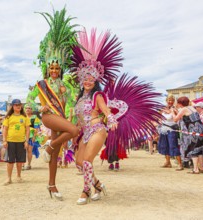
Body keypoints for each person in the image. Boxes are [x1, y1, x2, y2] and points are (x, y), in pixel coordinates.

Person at [71, 28, 162, 205]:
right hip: (84, 132)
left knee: (88, 161)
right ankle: (98, 185)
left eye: (91, 79)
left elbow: (106, 111)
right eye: (85, 79)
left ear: (95, 81)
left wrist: (111, 120)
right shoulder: (79, 98)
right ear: (81, 80)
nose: (88, 82)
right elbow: (77, 119)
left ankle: (86, 191)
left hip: (98, 130)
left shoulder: (97, 96)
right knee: (80, 163)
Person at [27, 7, 79, 200]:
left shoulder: (65, 84)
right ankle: (48, 147)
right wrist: (39, 107)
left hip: (61, 116)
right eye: (52, 67)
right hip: (49, 117)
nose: (55, 70)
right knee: (73, 131)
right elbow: (28, 103)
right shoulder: (40, 84)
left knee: (57, 153)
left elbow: (72, 100)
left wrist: (69, 97)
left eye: (57, 67)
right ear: (47, 68)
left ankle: (52, 185)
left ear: (61, 68)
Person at [172, 96, 203, 174]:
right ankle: (201, 168)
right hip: (200, 130)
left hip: (193, 131)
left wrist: (172, 113)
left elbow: (175, 119)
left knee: (193, 149)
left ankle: (195, 169)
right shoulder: (192, 108)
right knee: (200, 150)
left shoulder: (184, 109)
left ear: (180, 103)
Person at [2, 99, 30, 184]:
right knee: (10, 161)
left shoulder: (25, 117)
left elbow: (27, 130)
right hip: (10, 141)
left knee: (20, 161)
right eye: (16, 105)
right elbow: (5, 129)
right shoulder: (8, 117)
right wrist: (4, 140)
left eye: (19, 105)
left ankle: (18, 176)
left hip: (21, 142)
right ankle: (9, 178)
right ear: (13, 106)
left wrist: (26, 141)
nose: (18, 106)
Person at [157, 95, 183, 170]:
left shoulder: (175, 109)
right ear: (166, 100)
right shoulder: (163, 108)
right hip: (163, 129)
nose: (170, 101)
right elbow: (158, 116)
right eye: (169, 100)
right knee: (164, 146)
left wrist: (172, 111)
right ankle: (168, 162)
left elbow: (179, 117)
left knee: (173, 146)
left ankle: (180, 164)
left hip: (172, 130)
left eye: (172, 100)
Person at [24, 104, 41, 170]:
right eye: (26, 108)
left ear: (32, 110)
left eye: (29, 108)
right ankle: (22, 164)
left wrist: (34, 136)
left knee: (29, 150)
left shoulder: (35, 118)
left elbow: (36, 128)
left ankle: (28, 164)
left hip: (31, 136)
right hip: (22, 136)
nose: (28, 109)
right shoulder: (23, 117)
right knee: (22, 151)